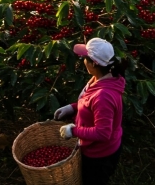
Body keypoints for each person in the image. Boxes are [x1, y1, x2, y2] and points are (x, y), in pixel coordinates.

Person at [54, 38, 126, 185]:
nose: (82, 61)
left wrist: (73, 131)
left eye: (85, 58)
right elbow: (89, 103)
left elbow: (102, 133)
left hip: (99, 155)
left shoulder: (103, 96)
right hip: (94, 148)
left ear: (94, 63)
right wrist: (72, 107)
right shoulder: (100, 79)